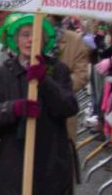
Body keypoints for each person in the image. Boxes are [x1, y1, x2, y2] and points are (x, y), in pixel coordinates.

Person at [0, 14, 77, 195]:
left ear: (45, 41)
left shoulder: (57, 69)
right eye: (25, 34)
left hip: (51, 162)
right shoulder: (4, 72)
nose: (31, 40)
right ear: (16, 40)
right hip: (14, 163)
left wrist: (45, 82)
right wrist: (13, 108)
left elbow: (69, 107)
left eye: (37, 35)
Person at [46, 15, 89, 143]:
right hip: (33, 110)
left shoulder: (74, 40)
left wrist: (53, 88)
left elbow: (81, 76)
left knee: (62, 154)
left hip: (63, 109)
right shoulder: (32, 35)